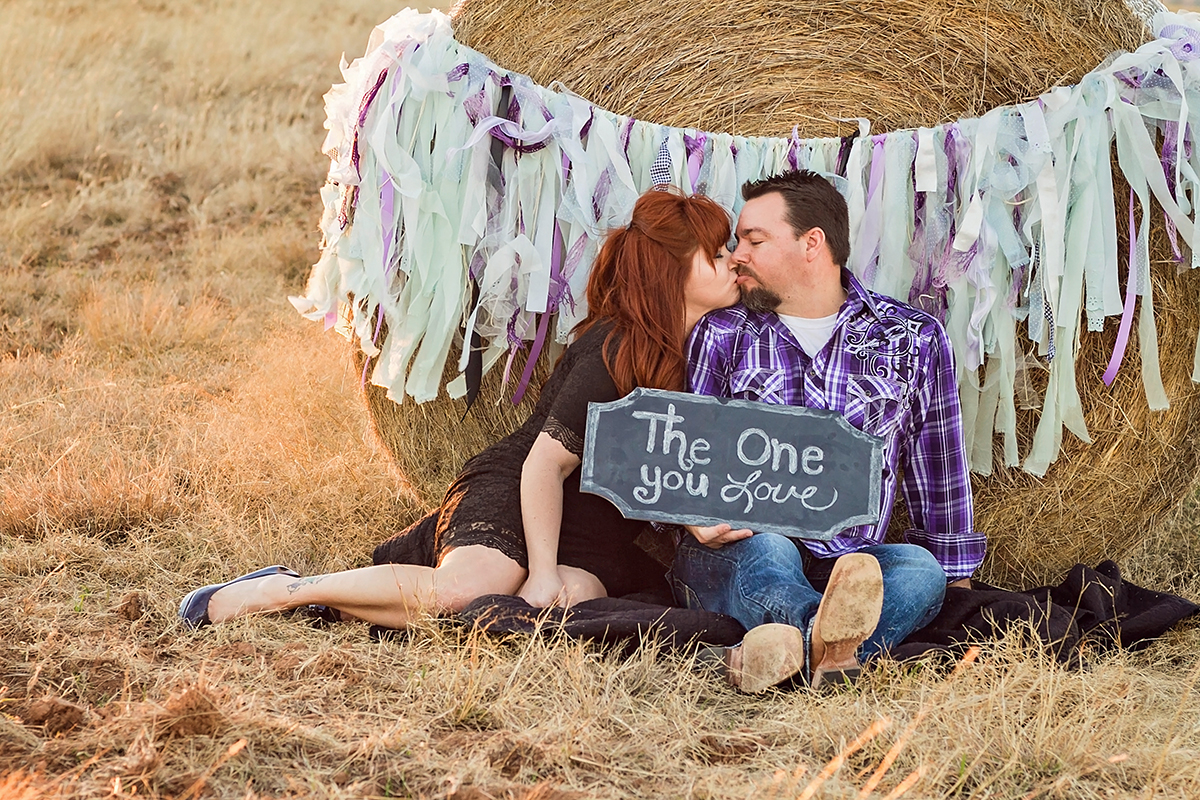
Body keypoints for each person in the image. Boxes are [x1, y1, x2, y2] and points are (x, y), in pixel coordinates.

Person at [180, 187, 807, 688]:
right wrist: (536, 570)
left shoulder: (713, 351)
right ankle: (285, 591)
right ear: (672, 269)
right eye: (716, 251)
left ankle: (347, 607)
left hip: (599, 532)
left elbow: (674, 465)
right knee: (474, 590)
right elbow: (544, 467)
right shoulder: (614, 347)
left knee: (552, 614)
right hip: (522, 494)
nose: (734, 260)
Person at [670, 170, 987, 690]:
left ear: (811, 243)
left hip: (849, 562)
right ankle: (828, 642)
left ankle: (779, 652)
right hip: (743, 547)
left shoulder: (911, 338)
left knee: (921, 571)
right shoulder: (722, 333)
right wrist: (689, 517)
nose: (736, 256)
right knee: (771, 552)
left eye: (754, 240)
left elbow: (939, 469)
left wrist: (953, 589)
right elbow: (684, 453)